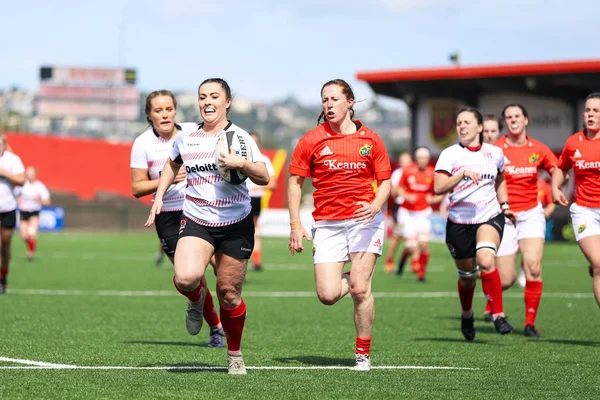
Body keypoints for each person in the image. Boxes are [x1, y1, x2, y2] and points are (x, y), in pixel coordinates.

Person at [145, 79, 269, 375]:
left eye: (214, 96)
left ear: (228, 102)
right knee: (186, 277)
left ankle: (235, 354)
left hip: (235, 224)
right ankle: (196, 300)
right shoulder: (187, 136)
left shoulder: (239, 137)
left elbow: (263, 176)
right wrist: (159, 196)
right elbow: (171, 165)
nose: (207, 102)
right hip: (197, 221)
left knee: (229, 293)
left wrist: (242, 163)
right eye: (203, 97)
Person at [288, 79, 391, 371]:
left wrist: (375, 205)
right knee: (328, 295)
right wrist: (295, 223)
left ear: (350, 103)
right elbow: (295, 182)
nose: (329, 105)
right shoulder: (311, 139)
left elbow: (385, 182)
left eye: (334, 99)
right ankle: (356, 275)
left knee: (360, 289)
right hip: (328, 224)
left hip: (364, 220)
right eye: (324, 100)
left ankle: (362, 354)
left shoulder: (371, 139)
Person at [131, 89, 225, 348]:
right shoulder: (142, 144)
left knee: (222, 271)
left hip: (200, 210)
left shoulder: (192, 134)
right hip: (168, 218)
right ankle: (215, 327)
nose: (164, 115)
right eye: (158, 110)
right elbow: (137, 188)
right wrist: (166, 178)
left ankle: (229, 322)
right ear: (149, 115)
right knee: (192, 278)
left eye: (169, 109)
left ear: (175, 111)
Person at [434, 107, 515, 341]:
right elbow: (439, 187)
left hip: (489, 216)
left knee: (486, 259)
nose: (462, 126)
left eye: (467, 122)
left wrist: (505, 205)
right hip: (459, 222)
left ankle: (498, 314)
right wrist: (461, 174)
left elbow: (500, 179)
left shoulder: (495, 153)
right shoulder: (449, 154)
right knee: (468, 278)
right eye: (459, 123)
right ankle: (467, 314)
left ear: (480, 127)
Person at [486, 104, 557, 338]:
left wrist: (556, 188)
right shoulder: (496, 150)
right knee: (505, 279)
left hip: (531, 214)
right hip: (504, 216)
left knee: (533, 266)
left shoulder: (538, 148)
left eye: (517, 116)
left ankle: (529, 324)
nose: (513, 120)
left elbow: (557, 167)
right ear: (505, 122)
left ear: (526, 120)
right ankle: (490, 298)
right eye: (508, 117)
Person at [552, 92, 600, 308]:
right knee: (599, 265)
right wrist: (555, 187)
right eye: (588, 110)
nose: (591, 114)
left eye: (596, 111)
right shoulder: (574, 142)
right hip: (584, 211)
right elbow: (561, 168)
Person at [395, 147, 443, 281]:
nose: (423, 160)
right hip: (407, 213)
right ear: (416, 158)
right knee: (411, 247)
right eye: (420, 158)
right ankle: (402, 263)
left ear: (428, 159)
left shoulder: (432, 173)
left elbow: (442, 191)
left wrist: (434, 199)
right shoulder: (408, 171)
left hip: (423, 213)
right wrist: (406, 195)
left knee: (423, 245)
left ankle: (421, 275)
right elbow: (398, 189)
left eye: (425, 158)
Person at [516, 176, 555, 288]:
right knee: (514, 250)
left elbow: (551, 203)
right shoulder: (520, 183)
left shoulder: (544, 186)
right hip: (516, 219)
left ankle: (524, 272)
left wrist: (546, 212)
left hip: (534, 222)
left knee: (530, 251)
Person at [246, 131, 277, 271]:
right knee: (245, 232)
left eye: (255, 141)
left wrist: (254, 188)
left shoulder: (263, 159)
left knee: (253, 231)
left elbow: (273, 183)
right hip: (240, 199)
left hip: (254, 200)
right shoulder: (239, 158)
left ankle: (256, 262)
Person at [0, 131, 26, 294]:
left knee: (5, 245)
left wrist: (5, 174)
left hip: (8, 207)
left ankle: (4, 277)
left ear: (4, 145)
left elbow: (22, 180)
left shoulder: (13, 160)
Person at [383, 152, 412, 274]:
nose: (405, 163)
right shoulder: (397, 174)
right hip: (400, 208)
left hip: (413, 208)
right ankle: (390, 259)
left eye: (407, 160)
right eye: (403, 160)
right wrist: (405, 192)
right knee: (398, 235)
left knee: (413, 236)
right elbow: (394, 192)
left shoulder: (415, 172)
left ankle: (414, 263)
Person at [15, 166, 51, 261]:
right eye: (28, 173)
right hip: (23, 212)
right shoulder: (21, 185)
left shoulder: (40, 186)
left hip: (34, 213)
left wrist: (38, 200)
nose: (29, 175)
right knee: (24, 236)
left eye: (31, 173)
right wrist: (17, 200)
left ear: (35, 174)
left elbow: (47, 201)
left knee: (32, 234)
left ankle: (30, 253)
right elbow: (15, 196)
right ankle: (30, 244)